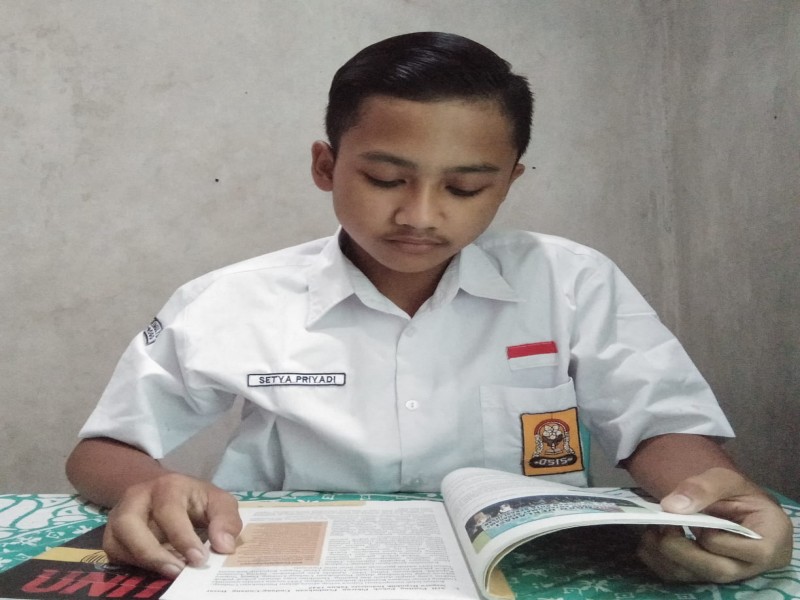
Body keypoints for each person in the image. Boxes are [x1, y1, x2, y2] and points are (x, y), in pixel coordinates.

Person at [65, 31, 792, 584]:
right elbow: (101, 452)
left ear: (509, 182)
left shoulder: (570, 281)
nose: (420, 214)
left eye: (466, 188)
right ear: (326, 166)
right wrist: (151, 488)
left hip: (528, 573)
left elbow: (661, 425)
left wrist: (710, 496)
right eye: (386, 178)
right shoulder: (232, 300)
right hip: (295, 573)